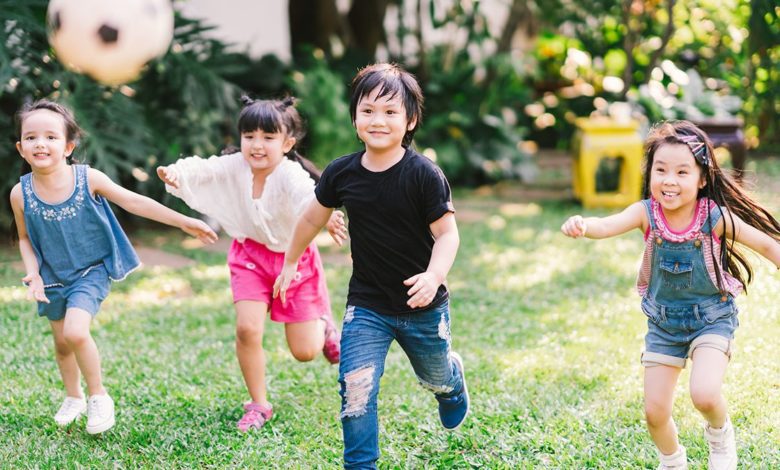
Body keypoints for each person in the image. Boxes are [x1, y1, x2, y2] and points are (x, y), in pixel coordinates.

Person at [274, 63, 469, 468]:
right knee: (355, 386)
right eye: (368, 110)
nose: (377, 120)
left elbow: (448, 235)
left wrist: (434, 277)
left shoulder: (423, 175)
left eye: (390, 111)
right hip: (367, 305)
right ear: (355, 117)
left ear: (410, 120)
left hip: (422, 307)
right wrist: (291, 260)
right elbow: (312, 218)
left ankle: (450, 383)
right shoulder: (341, 173)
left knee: (433, 376)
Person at [561, 120, 780, 470]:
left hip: (712, 318)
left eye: (682, 171)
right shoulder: (646, 213)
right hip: (663, 325)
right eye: (661, 170)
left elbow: (767, 243)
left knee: (705, 394)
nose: (669, 180)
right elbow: (607, 225)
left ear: (703, 178)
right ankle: (672, 460)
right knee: (654, 412)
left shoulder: (715, 218)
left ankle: (721, 437)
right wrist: (583, 225)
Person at [10, 99, 218, 434]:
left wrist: (182, 222)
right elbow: (23, 238)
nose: (41, 143)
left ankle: (98, 396)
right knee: (62, 344)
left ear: (68, 146)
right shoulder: (20, 194)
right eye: (31, 137)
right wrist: (32, 272)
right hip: (51, 276)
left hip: (90, 270)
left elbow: (134, 201)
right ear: (21, 148)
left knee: (75, 332)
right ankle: (73, 397)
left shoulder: (87, 178)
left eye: (51, 136)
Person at [156, 96, 345, 432]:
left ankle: (325, 325)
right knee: (247, 329)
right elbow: (204, 167)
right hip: (249, 258)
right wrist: (176, 173)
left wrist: (326, 218)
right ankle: (259, 403)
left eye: (268, 138)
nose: (257, 145)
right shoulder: (235, 167)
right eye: (250, 136)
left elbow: (308, 197)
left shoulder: (289, 173)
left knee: (305, 351)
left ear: (287, 143)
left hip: (293, 257)